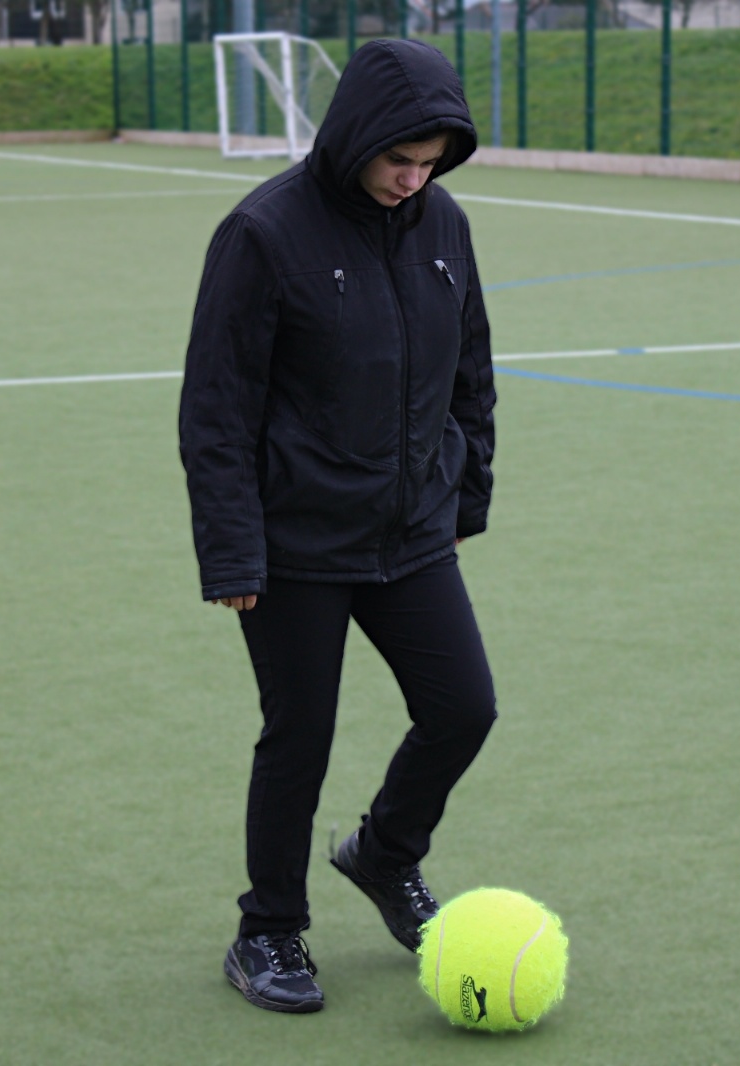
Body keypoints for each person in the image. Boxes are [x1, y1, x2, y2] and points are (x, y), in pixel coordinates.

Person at [177, 38, 497, 1014]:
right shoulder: (263, 232)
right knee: (300, 737)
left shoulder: (442, 224)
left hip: (410, 530)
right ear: (356, 135)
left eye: (431, 163)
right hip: (295, 544)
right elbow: (217, 407)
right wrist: (233, 549)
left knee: (464, 709)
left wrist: (464, 496)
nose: (413, 180)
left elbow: (470, 371)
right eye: (400, 159)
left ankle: (383, 853)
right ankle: (267, 930)